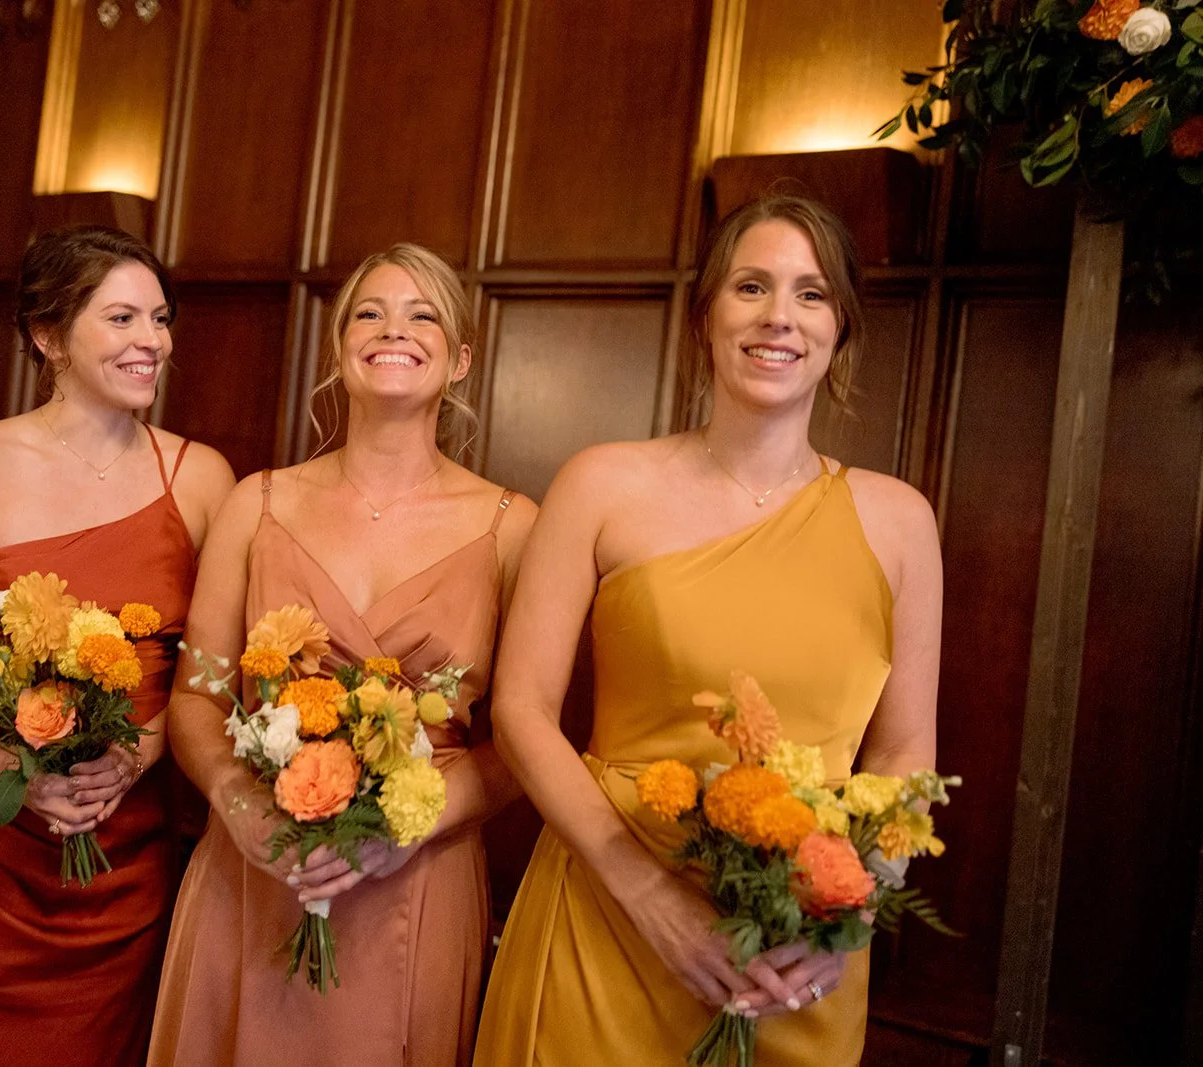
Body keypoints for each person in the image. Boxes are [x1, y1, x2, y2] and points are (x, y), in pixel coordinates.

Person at [475, 195, 942, 1065]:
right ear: (705, 315)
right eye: (751, 286)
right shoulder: (600, 484)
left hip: (794, 954)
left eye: (811, 294)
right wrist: (650, 897)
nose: (778, 317)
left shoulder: (901, 520)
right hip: (606, 920)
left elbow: (905, 752)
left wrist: (849, 910)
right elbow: (521, 710)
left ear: (842, 327)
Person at [148, 243, 537, 1066]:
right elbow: (194, 697)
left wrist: (411, 821)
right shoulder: (259, 501)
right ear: (339, 349)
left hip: (418, 879)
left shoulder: (516, 526)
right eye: (370, 311)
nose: (393, 328)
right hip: (256, 866)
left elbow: (523, 740)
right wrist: (234, 796)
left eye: (422, 313)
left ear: (461, 358)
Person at [0, 225, 235, 1067]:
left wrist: (135, 755)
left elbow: (215, 663)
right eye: (123, 318)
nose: (153, 342)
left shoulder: (202, 479)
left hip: (126, 831)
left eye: (161, 318)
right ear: (47, 335)